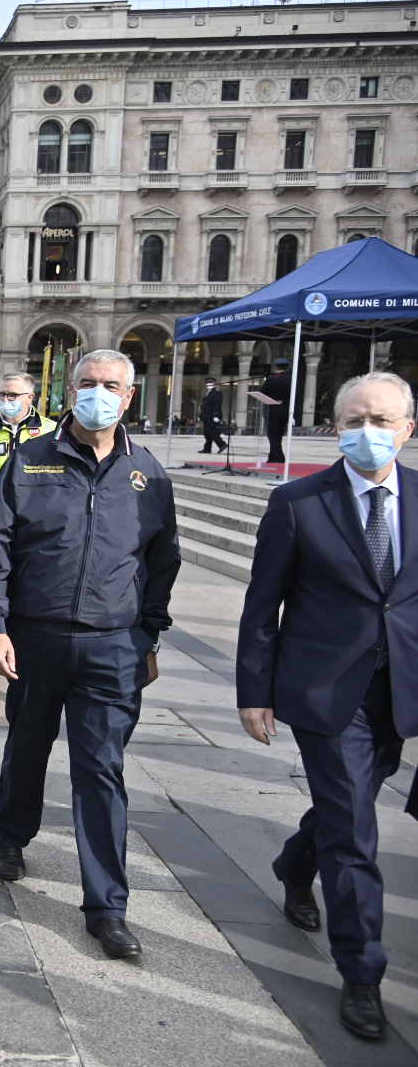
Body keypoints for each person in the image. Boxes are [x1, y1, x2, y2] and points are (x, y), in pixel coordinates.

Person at [0, 348, 181, 961]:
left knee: (102, 770)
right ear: (69, 391)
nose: (99, 394)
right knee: (27, 745)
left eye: (111, 385)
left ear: (129, 397)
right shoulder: (29, 462)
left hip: (113, 646)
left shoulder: (149, 475)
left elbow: (163, 560)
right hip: (36, 639)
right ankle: (12, 835)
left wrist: (150, 633)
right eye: (88, 383)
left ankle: (108, 906)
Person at [237, 372, 418, 1042]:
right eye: (353, 419)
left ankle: (294, 863)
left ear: (407, 429)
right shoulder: (298, 502)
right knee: (355, 830)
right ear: (335, 426)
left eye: (380, 419)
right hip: (326, 692)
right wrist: (254, 693)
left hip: (398, 691)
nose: (366, 431)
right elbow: (263, 607)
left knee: (347, 811)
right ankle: (362, 973)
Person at [0, 373, 56, 678]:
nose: (6, 400)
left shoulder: (51, 431)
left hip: (34, 522)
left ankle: (23, 646)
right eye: (3, 394)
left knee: (28, 583)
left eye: (13, 395)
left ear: (31, 398)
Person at [263, 359, 292, 464]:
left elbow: (263, 392)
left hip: (273, 410)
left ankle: (279, 457)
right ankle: (273, 457)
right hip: (286, 411)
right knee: (278, 435)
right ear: (287, 367)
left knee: (272, 435)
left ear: (276, 367)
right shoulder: (291, 379)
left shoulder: (271, 379)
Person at [199, 378, 228, 455]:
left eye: (210, 383)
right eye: (207, 383)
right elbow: (204, 406)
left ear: (214, 384)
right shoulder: (207, 393)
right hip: (206, 416)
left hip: (212, 417)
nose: (208, 384)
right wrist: (201, 416)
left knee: (212, 432)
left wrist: (216, 415)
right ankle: (207, 449)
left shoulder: (217, 393)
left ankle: (222, 444)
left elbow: (217, 405)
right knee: (207, 433)